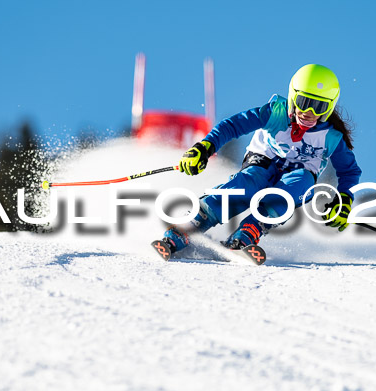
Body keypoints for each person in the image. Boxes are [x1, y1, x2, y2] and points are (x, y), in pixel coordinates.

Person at [154, 63, 362, 259]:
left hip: (297, 175)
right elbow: (233, 125)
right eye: (305, 103)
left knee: (301, 184)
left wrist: (343, 200)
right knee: (249, 184)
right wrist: (205, 147)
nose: (310, 112)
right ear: (292, 97)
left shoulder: (331, 137)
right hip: (264, 161)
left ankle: (248, 232)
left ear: (330, 107)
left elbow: (349, 171)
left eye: (319, 107)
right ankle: (191, 224)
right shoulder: (276, 112)